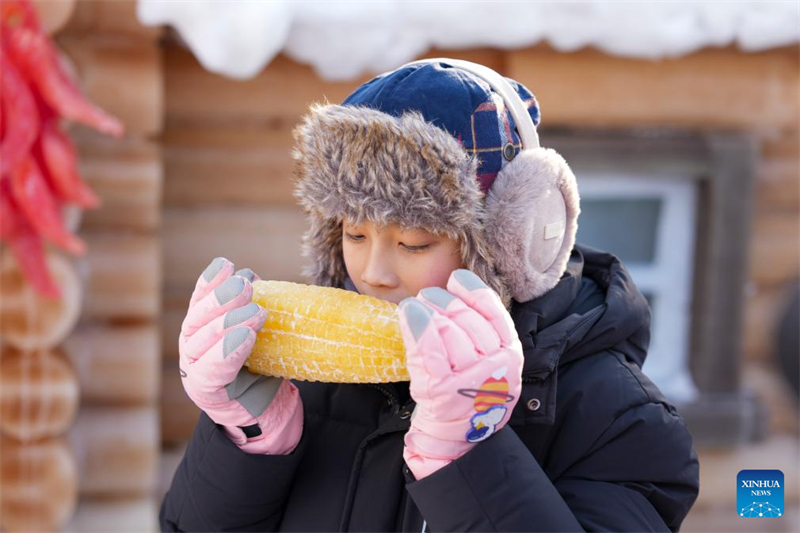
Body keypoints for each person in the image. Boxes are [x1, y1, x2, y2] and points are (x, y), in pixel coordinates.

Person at [160, 59, 700, 532]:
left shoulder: (621, 418)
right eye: (354, 234)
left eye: (413, 242)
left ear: (510, 243)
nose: (372, 273)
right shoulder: (309, 388)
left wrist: (468, 456)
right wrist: (249, 436)